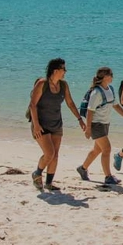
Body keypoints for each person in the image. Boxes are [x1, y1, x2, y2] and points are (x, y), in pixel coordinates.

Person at [28, 58, 84, 191]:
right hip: (41, 124)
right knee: (49, 153)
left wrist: (79, 119)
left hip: (56, 124)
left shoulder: (63, 85)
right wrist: (36, 125)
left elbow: (70, 103)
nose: (65, 71)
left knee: (55, 155)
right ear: (56, 70)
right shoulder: (42, 84)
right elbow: (33, 105)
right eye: (63, 69)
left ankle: (48, 183)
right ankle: (37, 173)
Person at [76, 66, 123, 187]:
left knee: (97, 149)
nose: (112, 77)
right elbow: (90, 111)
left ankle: (82, 168)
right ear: (105, 77)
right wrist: (88, 128)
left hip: (105, 124)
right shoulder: (96, 92)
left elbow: (116, 106)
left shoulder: (110, 89)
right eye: (111, 75)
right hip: (96, 125)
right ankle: (108, 177)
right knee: (106, 149)